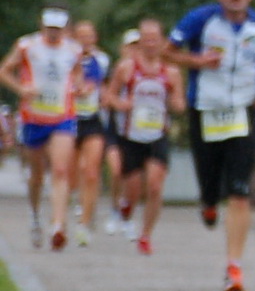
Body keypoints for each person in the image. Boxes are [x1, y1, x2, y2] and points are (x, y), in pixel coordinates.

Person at [167, 0, 255, 291]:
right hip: (205, 108)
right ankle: (206, 201)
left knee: (239, 191)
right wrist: (197, 61)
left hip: (242, 111)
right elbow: (167, 52)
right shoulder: (200, 20)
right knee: (209, 182)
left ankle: (234, 267)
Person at [0, 6, 89, 250]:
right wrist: (21, 89)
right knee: (36, 175)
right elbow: (4, 71)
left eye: (58, 29)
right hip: (33, 117)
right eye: (50, 28)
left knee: (60, 169)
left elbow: (77, 75)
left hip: (63, 116)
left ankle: (58, 225)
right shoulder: (27, 46)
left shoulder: (73, 50)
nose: (53, 33)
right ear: (42, 27)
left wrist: (80, 87)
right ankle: (36, 214)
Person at [105, 18, 186, 256]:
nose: (150, 44)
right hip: (131, 136)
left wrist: (175, 103)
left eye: (155, 39)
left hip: (157, 136)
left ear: (162, 42)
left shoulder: (171, 72)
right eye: (146, 39)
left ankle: (146, 235)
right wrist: (122, 104)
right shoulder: (126, 68)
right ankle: (126, 206)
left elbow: (180, 104)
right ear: (140, 42)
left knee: (154, 186)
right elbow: (108, 96)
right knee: (133, 188)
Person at [69, 19, 111, 247]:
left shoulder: (102, 60)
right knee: (71, 172)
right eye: (80, 36)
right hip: (69, 119)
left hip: (93, 120)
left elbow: (104, 85)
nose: (85, 40)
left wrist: (102, 95)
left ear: (95, 38)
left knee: (91, 171)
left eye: (89, 36)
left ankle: (85, 222)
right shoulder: (66, 57)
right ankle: (80, 201)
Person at [105, 29, 142, 237]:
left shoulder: (149, 71)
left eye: (138, 46)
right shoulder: (116, 71)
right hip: (115, 129)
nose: (134, 50)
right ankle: (113, 209)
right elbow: (106, 96)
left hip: (139, 131)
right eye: (131, 46)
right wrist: (119, 104)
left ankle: (127, 214)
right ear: (123, 49)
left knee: (134, 178)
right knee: (117, 170)